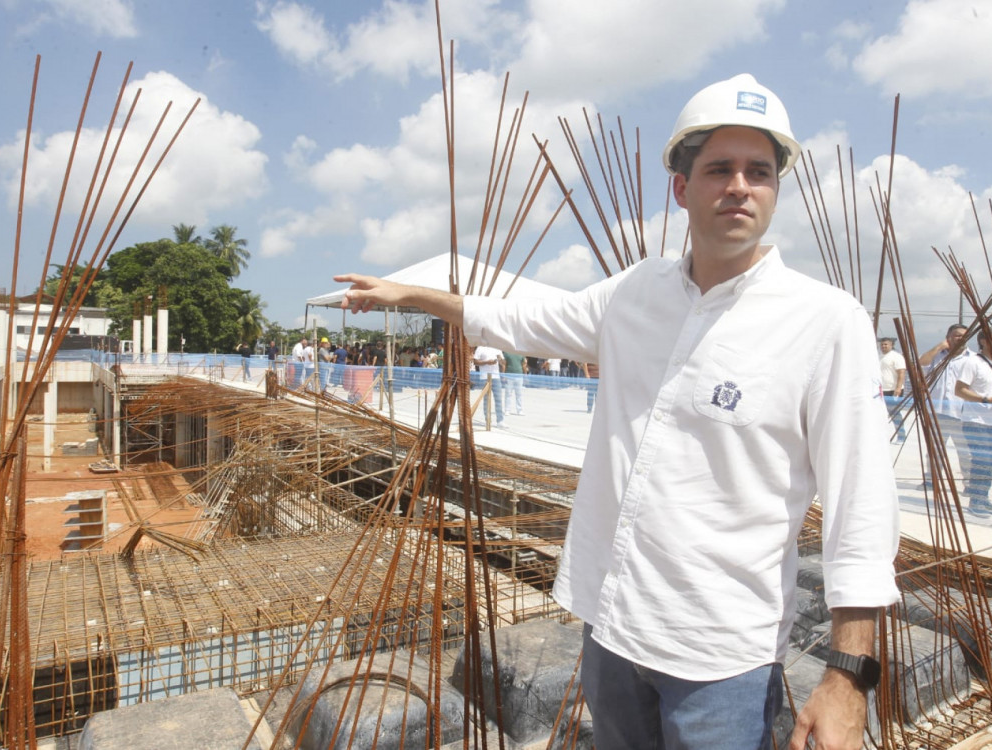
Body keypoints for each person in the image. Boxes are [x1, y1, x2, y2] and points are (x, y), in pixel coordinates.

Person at [335, 73, 898, 750]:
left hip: (721, 660)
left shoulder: (824, 322)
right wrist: (412, 295)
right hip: (614, 629)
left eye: (760, 171)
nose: (740, 187)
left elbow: (860, 503)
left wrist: (848, 675)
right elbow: (519, 318)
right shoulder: (636, 293)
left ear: (776, 189)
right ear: (681, 187)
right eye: (720, 168)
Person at [953, 331, 992, 517]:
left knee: (991, 461)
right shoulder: (973, 362)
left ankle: (983, 497)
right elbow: (960, 390)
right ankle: (975, 500)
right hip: (975, 420)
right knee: (980, 460)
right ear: (984, 341)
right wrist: (985, 399)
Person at [918, 324, 973, 488]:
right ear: (948, 337)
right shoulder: (937, 356)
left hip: (961, 414)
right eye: (956, 335)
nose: (960, 338)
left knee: (965, 452)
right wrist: (940, 346)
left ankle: (969, 483)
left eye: (964, 335)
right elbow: (921, 364)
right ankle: (931, 480)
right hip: (938, 412)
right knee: (934, 450)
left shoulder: (972, 359)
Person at [878, 337, 907, 441]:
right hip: (882, 390)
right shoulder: (880, 357)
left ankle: (901, 436)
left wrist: (898, 388)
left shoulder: (896, 357)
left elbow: (901, 372)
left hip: (893, 390)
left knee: (895, 413)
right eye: (882, 344)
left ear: (891, 345)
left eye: (886, 344)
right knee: (881, 413)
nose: (883, 346)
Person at [472, 344, 505, 427]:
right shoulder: (480, 348)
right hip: (484, 377)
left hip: (496, 377)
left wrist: (500, 359)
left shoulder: (497, 348)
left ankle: (500, 421)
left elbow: (503, 363)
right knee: (486, 399)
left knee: (498, 399)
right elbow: (475, 362)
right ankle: (488, 419)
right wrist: (487, 362)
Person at [502, 350, 527, 416]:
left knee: (519, 394)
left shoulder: (521, 353)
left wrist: (525, 375)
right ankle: (507, 410)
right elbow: (504, 364)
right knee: (508, 394)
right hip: (509, 376)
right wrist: (504, 375)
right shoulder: (506, 353)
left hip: (519, 376)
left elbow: (524, 364)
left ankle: (520, 410)